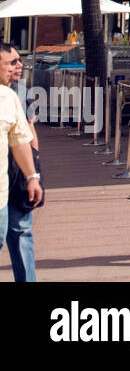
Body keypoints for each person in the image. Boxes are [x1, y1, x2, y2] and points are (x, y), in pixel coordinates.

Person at [1, 42, 40, 282]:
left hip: (12, 176)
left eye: (19, 60)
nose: (18, 66)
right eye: (12, 62)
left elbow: (24, 136)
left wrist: (33, 174)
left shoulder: (13, 95)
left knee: (21, 231)